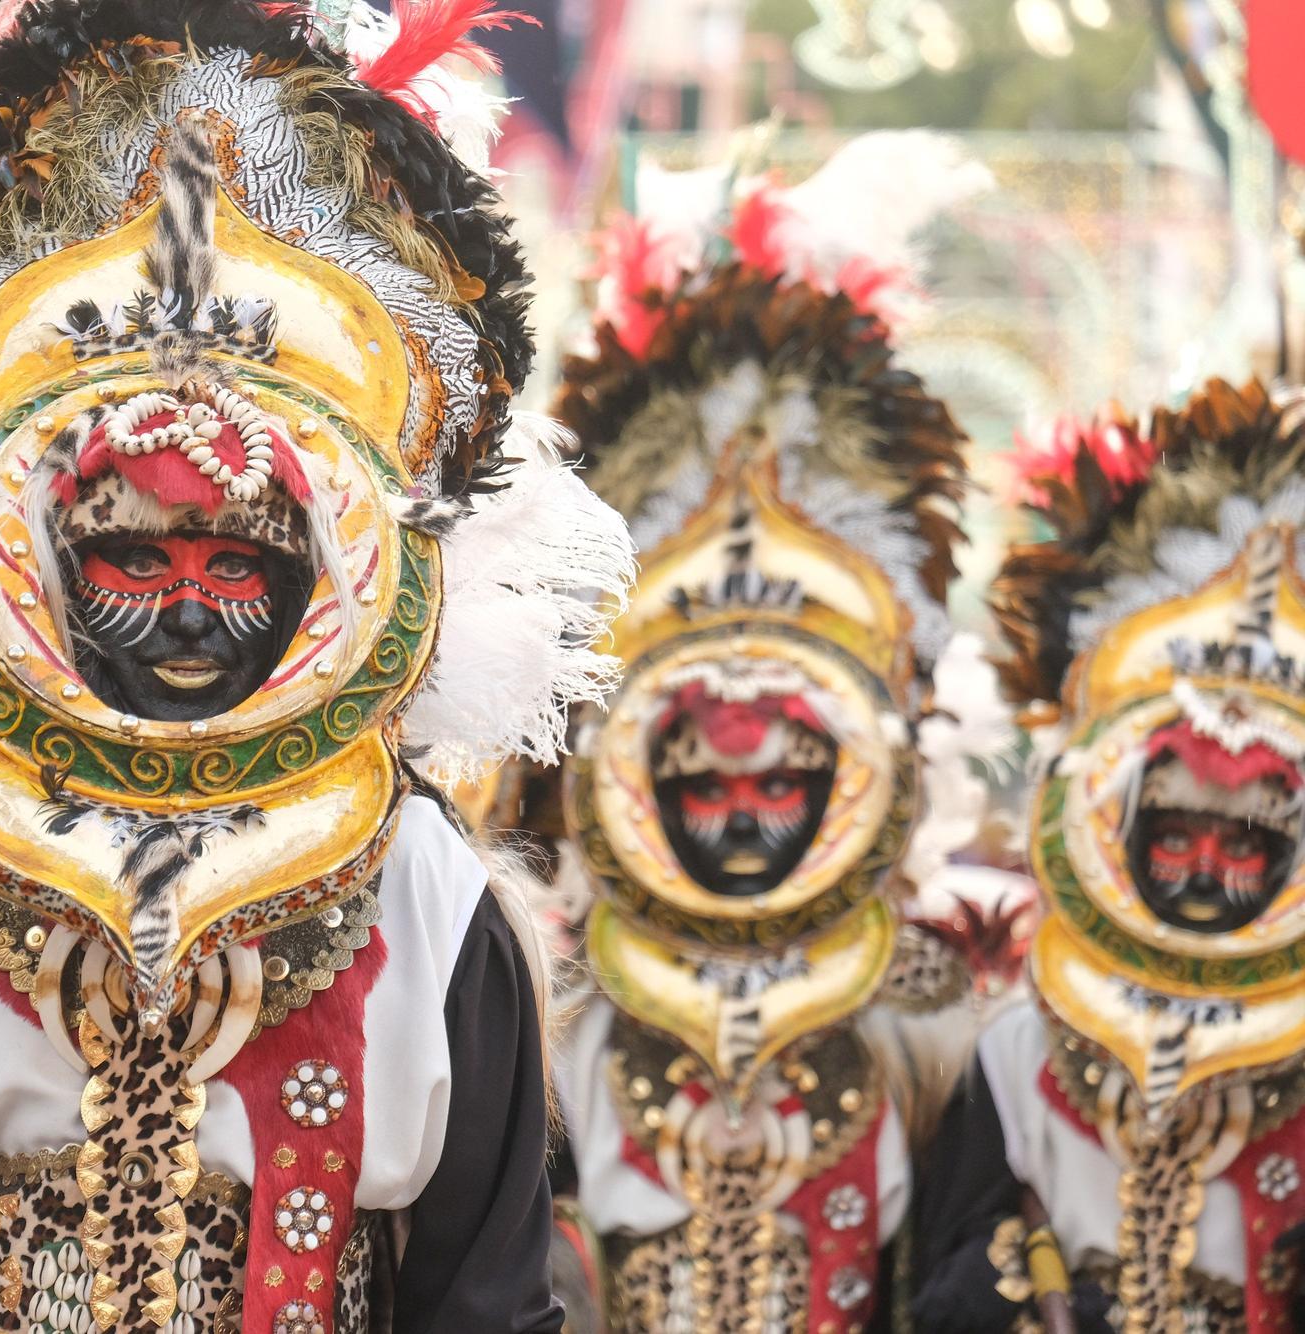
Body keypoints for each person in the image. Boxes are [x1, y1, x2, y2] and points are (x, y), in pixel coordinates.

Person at [0, 1, 634, 1330]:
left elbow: (485, 1303)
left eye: (241, 562)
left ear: (326, 575)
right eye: (138, 563)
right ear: (40, 565)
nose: (193, 609)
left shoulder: (433, 903)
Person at [545, 134, 1004, 1333]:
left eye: (779, 777)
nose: (744, 813)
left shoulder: (931, 1021)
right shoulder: (549, 1009)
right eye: (702, 786)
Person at [912, 377, 1305, 1332]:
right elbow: (939, 1289)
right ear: (1117, 827)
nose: (1206, 866)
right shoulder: (1019, 1051)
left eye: (1243, 840)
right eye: (1174, 834)